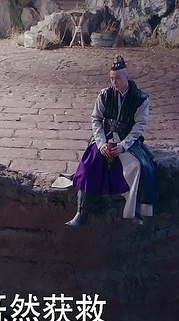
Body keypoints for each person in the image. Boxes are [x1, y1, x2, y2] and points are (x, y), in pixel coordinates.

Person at [67, 55, 158, 227]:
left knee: (140, 167)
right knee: (90, 163)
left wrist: (124, 146)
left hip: (127, 140)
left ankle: (135, 211)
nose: (114, 82)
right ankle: (82, 212)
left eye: (118, 78)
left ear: (126, 77)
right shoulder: (104, 95)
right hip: (106, 136)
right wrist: (101, 143)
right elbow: (96, 119)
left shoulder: (141, 99)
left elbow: (139, 125)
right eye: (111, 78)